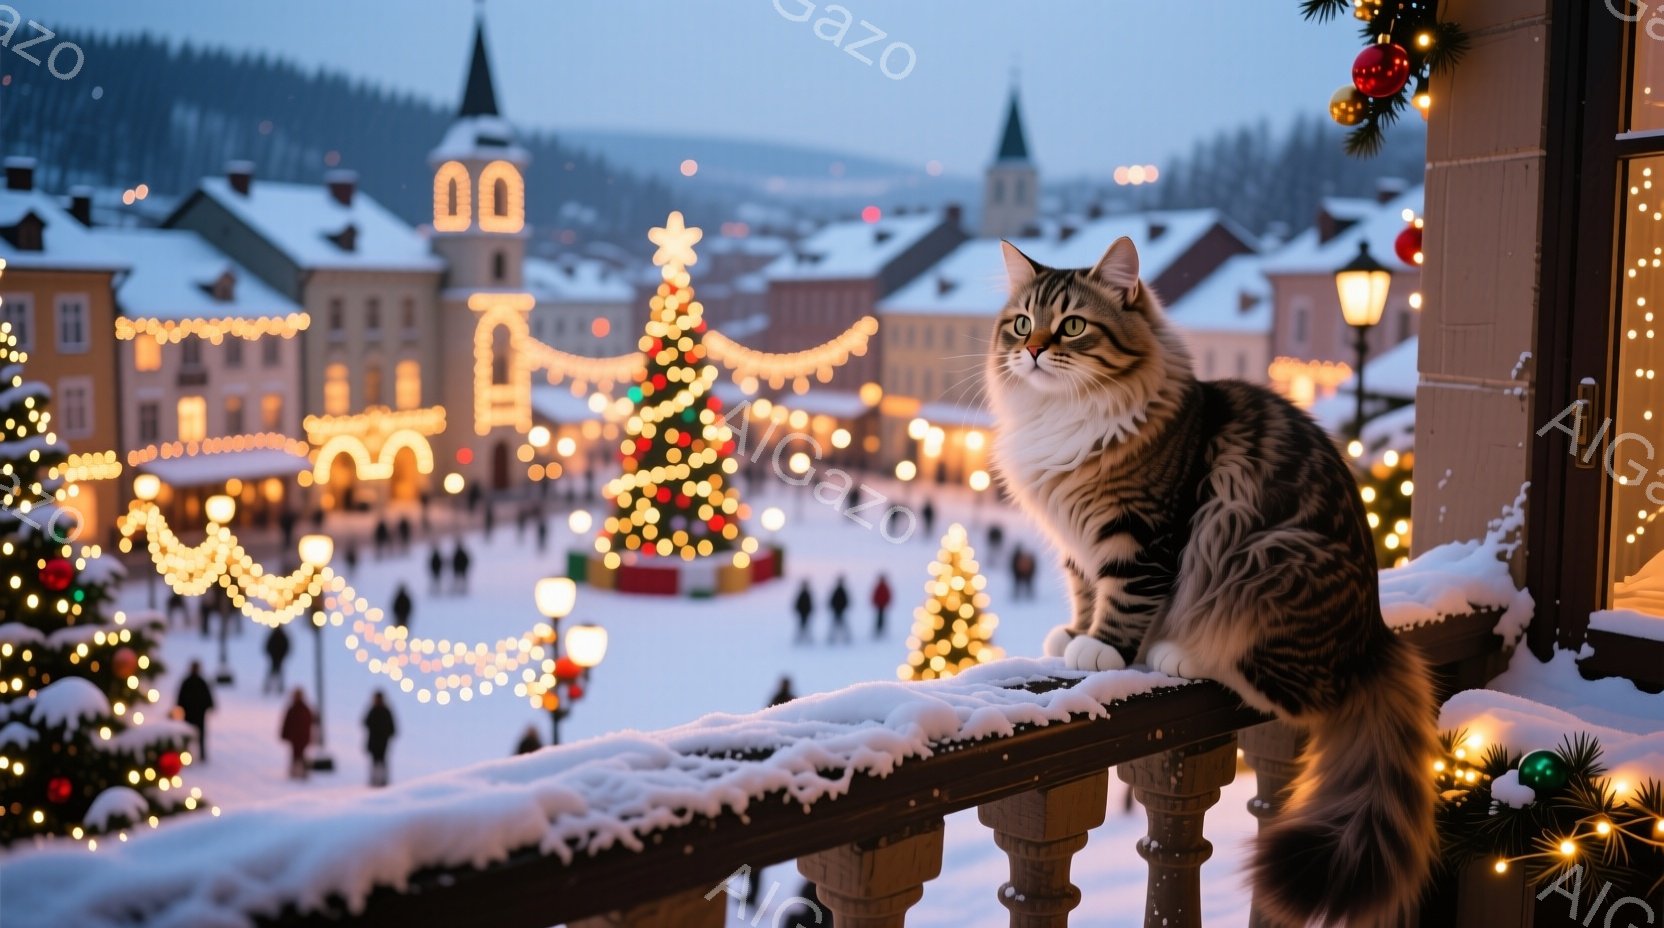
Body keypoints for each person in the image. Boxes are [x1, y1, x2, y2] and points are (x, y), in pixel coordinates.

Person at [175, 660, 215, 763]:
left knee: (200, 736)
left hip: (199, 714)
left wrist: (209, 706)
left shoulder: (201, 682)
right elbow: (180, 698)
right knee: (187, 736)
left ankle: (202, 755)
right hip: (188, 714)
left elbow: (207, 696)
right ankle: (186, 756)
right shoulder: (187, 682)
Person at [363, 690, 396, 787]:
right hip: (374, 742)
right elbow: (366, 722)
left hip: (382, 742)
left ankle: (382, 780)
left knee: (382, 761)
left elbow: (392, 728)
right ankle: (374, 779)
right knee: (374, 762)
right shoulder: (373, 710)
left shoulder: (386, 711)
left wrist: (385, 734)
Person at [280, 688, 315, 780]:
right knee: (296, 755)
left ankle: (301, 772)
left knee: (299, 755)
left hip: (301, 738)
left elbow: (309, 723)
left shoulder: (303, 709)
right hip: (296, 738)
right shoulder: (294, 709)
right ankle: (297, 772)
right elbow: (287, 723)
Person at [263, 624, 291, 695]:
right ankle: (270, 687)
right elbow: (268, 646)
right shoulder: (278, 636)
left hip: (278, 657)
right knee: (274, 672)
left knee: (277, 672)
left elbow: (286, 647)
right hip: (275, 657)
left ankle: (276, 687)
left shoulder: (278, 636)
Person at [827, 577, 852, 644]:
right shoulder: (837, 591)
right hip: (837, 610)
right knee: (835, 625)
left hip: (840, 610)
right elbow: (832, 601)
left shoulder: (842, 591)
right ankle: (832, 638)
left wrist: (843, 607)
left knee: (842, 625)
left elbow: (846, 601)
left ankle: (846, 638)